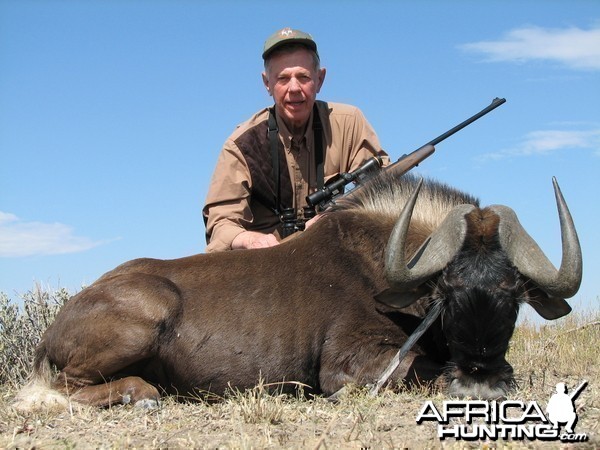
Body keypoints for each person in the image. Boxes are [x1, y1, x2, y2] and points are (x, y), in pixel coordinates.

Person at [203, 27, 389, 252]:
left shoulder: (350, 123)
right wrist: (249, 240)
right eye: (282, 78)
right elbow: (221, 224)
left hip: (335, 253)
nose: (294, 88)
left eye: (303, 77)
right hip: (268, 262)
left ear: (319, 79)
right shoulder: (241, 145)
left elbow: (384, 189)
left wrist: (334, 215)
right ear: (267, 83)